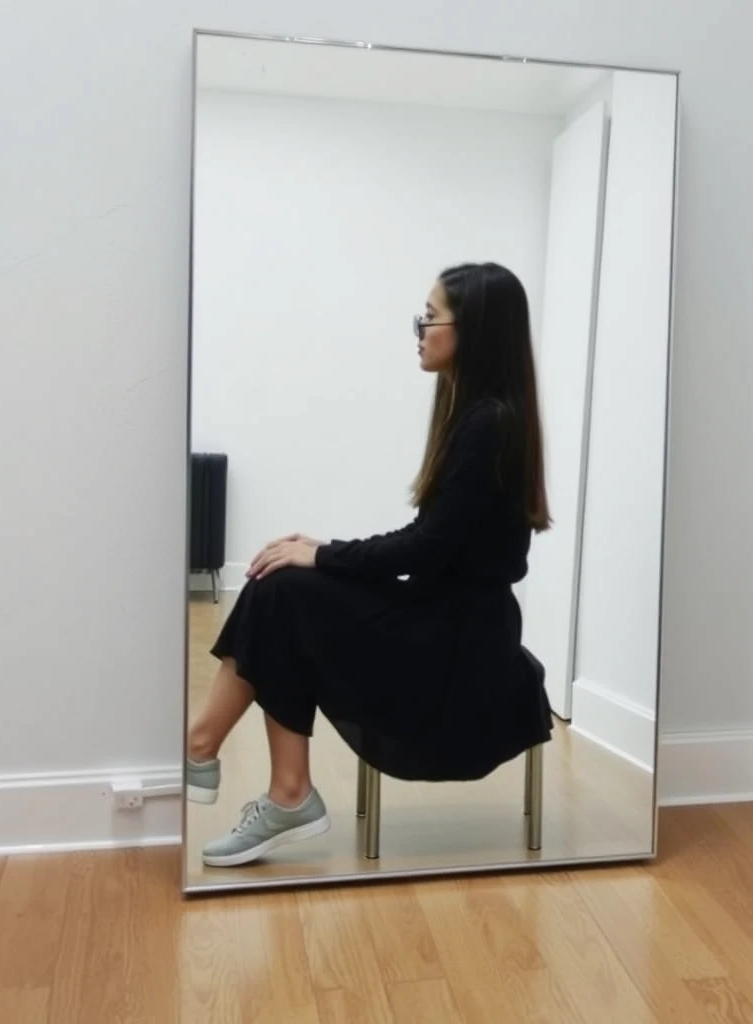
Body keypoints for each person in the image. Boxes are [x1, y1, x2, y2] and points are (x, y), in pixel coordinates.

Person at [186, 261, 554, 868]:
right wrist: (319, 556)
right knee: (284, 583)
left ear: (475, 331)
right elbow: (429, 544)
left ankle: (231, 761)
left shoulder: (490, 425)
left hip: (460, 644)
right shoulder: (480, 417)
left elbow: (423, 548)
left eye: (430, 318)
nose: (420, 330)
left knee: (288, 588)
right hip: (446, 617)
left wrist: (324, 554)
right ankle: (266, 781)